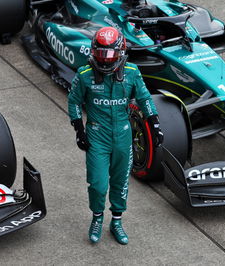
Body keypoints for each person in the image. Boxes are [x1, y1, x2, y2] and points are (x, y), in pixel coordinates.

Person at [68, 27, 163, 245]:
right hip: (96, 137)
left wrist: (155, 125)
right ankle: (97, 218)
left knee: (121, 183)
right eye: (101, 54)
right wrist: (78, 129)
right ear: (94, 52)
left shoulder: (132, 72)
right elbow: (73, 101)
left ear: (120, 53)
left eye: (110, 55)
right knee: (98, 184)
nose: (105, 60)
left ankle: (117, 222)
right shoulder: (84, 74)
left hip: (123, 135)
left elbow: (145, 98)